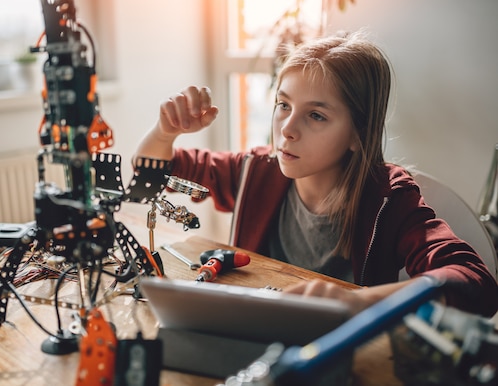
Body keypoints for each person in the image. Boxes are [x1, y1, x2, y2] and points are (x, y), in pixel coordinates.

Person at [134, 31, 498, 317]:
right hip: (255, 336)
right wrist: (165, 133)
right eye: (283, 105)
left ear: (358, 133)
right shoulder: (255, 169)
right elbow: (149, 173)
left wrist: (357, 303)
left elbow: (475, 283)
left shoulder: (390, 198)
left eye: (316, 115)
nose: (287, 129)